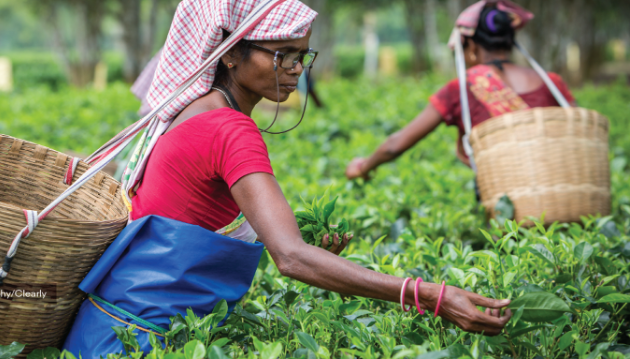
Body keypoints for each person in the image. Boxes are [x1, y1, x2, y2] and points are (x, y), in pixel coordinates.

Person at [63, 1, 511, 356]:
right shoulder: (231, 129)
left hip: (107, 328)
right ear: (232, 55)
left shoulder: (192, 110)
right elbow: (292, 259)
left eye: (302, 56)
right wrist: (430, 295)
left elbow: (192, 213)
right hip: (143, 340)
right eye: (283, 56)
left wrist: (298, 234)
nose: (297, 69)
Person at [345, 0, 576, 181]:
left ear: (472, 48)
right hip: (563, 193)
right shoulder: (551, 82)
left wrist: (363, 167)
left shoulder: (461, 88)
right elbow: (579, 132)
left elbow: (396, 145)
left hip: (507, 211)